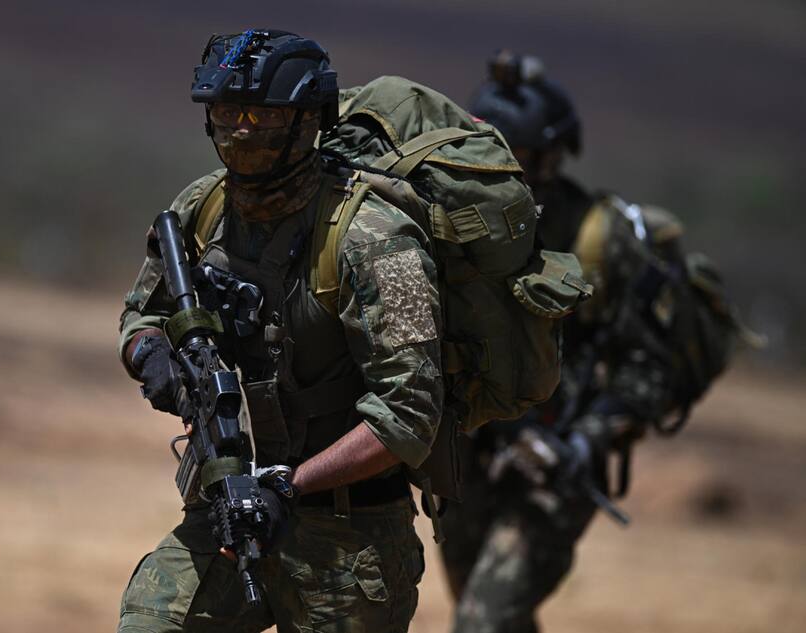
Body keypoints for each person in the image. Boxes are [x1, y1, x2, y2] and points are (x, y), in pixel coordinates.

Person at [115, 30, 442, 633]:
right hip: (230, 511)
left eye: (263, 115)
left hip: (350, 541)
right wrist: (154, 356)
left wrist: (289, 489)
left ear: (307, 121)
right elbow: (141, 315)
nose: (241, 130)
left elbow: (407, 417)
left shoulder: (375, 240)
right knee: (150, 621)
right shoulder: (201, 209)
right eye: (227, 113)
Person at [440, 50, 745, 633]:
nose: (501, 171)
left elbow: (649, 369)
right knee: (482, 611)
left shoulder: (601, 241)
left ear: (553, 157)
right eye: (484, 155)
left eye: (518, 158)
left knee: (483, 620)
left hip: (558, 463)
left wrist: (582, 442)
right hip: (471, 459)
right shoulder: (454, 229)